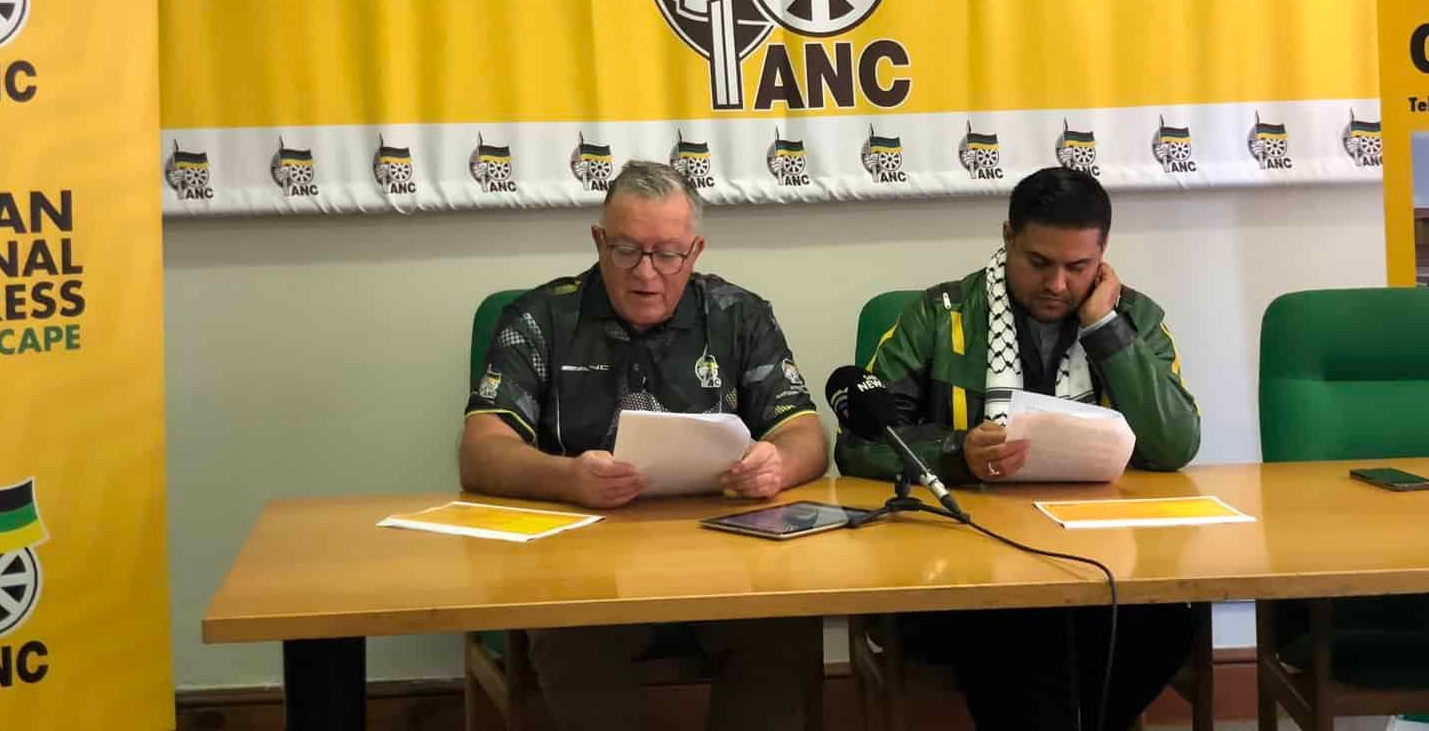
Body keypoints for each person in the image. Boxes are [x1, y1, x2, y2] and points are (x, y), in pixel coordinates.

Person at [460, 160, 827, 731]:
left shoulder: (739, 316)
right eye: (627, 250)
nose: (646, 273)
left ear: (695, 252)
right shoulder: (540, 318)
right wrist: (567, 478)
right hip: (582, 565)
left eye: (667, 254)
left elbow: (806, 433)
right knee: (573, 640)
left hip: (722, 553)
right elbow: (481, 450)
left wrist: (776, 464)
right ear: (599, 242)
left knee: (785, 623)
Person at [835, 166, 1202, 731]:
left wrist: (1104, 328)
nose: (1057, 284)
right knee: (1022, 627)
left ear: (1103, 256)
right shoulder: (937, 316)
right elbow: (860, 443)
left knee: (1170, 623)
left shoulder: (1134, 318)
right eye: (1039, 262)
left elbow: (1175, 444)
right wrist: (958, 452)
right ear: (1008, 238)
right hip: (969, 566)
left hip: (1103, 553)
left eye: (1077, 267)